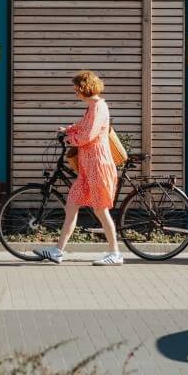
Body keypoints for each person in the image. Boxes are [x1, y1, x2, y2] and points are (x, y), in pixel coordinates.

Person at [35, 71, 123, 266]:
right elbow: (83, 125)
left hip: (98, 166)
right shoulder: (92, 107)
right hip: (86, 169)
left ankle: (115, 253)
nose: (75, 92)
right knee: (72, 205)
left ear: (85, 88)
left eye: (77, 88)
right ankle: (57, 251)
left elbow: (88, 135)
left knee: (101, 210)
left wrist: (69, 139)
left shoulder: (99, 107)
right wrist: (68, 130)